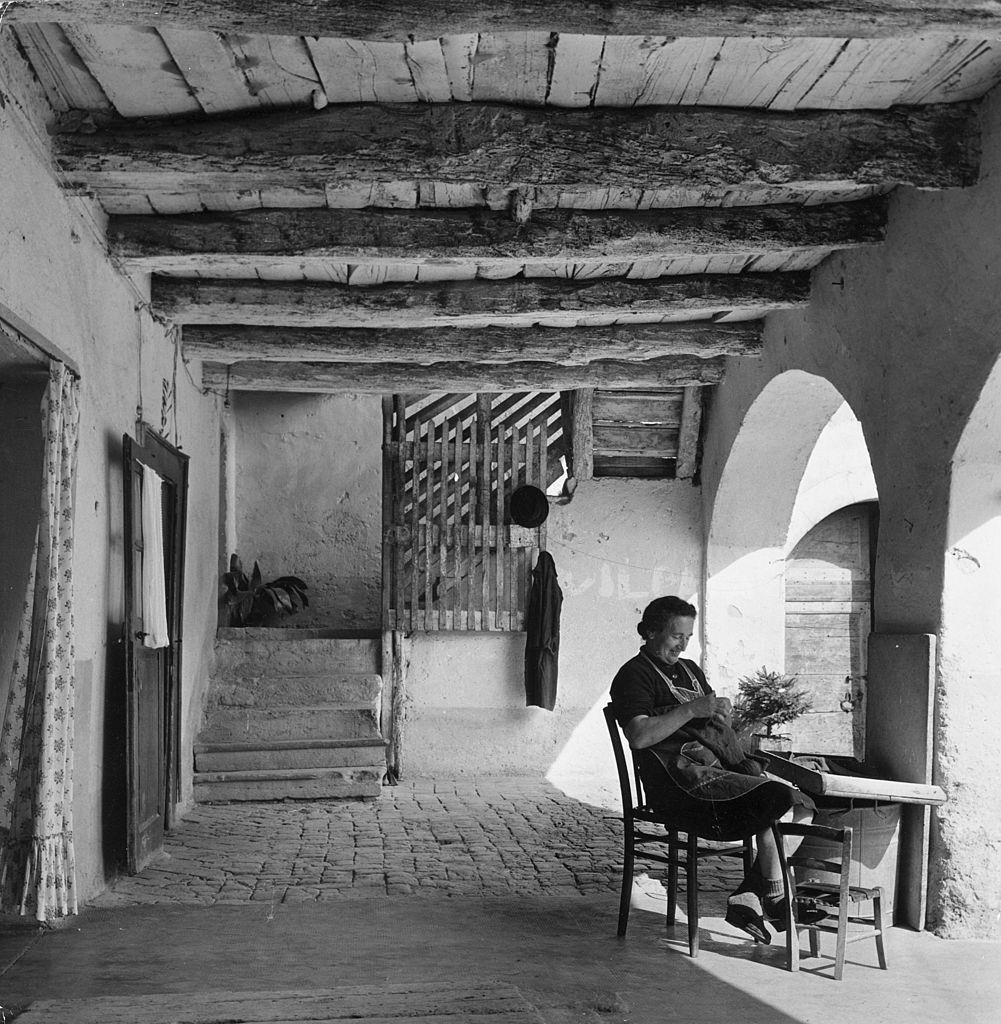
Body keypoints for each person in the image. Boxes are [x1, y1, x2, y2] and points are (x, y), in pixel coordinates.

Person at [609, 595, 818, 944]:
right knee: (774, 799)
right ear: (650, 631)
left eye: (688, 637)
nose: (683, 644)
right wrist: (691, 710)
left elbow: (711, 723)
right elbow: (640, 735)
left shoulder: (690, 669)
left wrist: (721, 714)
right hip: (678, 785)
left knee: (800, 804)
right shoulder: (634, 675)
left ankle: (750, 896)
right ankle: (777, 900)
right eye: (676, 636)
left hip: (714, 771)